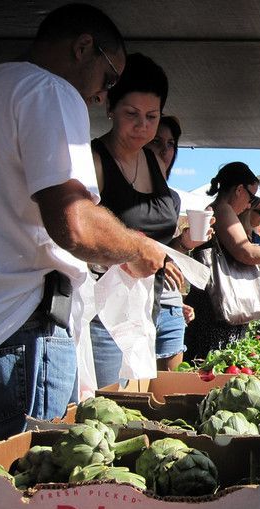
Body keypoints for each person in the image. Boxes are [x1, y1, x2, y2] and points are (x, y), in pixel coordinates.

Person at [0, 4, 167, 456]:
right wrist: (135, 246)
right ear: (84, 48)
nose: (104, 96)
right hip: (14, 335)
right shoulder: (49, 91)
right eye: (109, 78)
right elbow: (74, 222)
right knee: (32, 500)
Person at [89, 53, 193, 388]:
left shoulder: (152, 159)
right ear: (110, 107)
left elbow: (155, 238)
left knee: (138, 400)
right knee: (110, 405)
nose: (143, 126)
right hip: (104, 312)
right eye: (131, 114)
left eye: (152, 116)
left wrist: (177, 250)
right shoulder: (95, 159)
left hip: (148, 306)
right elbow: (82, 236)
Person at [184, 163, 260, 359]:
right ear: (239, 189)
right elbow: (245, 252)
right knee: (214, 368)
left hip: (210, 309)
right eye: (251, 197)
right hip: (216, 312)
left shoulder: (217, 209)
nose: (249, 204)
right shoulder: (223, 209)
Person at [146, 115, 197, 371]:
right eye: (156, 141)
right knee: (127, 395)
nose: (164, 150)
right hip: (131, 309)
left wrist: (184, 242)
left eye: (171, 143)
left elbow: (164, 252)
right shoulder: (119, 191)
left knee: (168, 393)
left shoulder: (172, 199)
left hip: (170, 306)